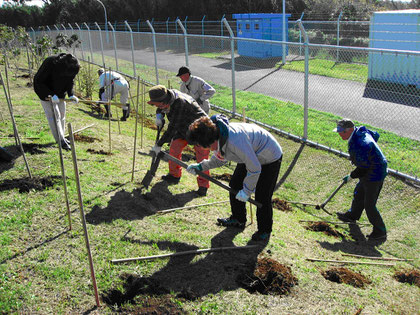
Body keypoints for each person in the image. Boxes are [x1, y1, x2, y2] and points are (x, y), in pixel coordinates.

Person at [186, 114, 283, 241]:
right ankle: (238, 219)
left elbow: (254, 168)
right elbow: (220, 159)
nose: (206, 149)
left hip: (269, 156)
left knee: (262, 195)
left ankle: (264, 230)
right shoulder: (220, 135)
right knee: (235, 184)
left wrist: (247, 191)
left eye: (205, 146)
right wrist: (200, 167)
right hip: (251, 153)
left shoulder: (235, 141)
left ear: (211, 140)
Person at [148, 85, 210, 196]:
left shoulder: (179, 102)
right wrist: (159, 115)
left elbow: (172, 128)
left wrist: (159, 144)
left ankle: (203, 186)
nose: (155, 106)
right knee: (174, 149)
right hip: (184, 127)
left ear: (163, 101)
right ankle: (174, 175)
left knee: (202, 159)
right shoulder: (168, 96)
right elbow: (160, 107)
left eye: (156, 104)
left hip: (200, 130)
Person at [334, 119, 388, 241]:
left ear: (350, 130)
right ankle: (352, 215)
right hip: (369, 167)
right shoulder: (360, 132)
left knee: (369, 204)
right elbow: (375, 135)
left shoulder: (361, 144)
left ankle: (380, 231)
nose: (339, 134)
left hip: (376, 172)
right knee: (359, 193)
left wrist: (351, 176)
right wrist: (371, 153)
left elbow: (363, 167)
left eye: (341, 132)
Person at [34, 53, 80, 151]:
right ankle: (60, 140)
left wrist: (71, 94)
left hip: (60, 93)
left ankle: (61, 137)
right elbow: (38, 81)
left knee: (62, 114)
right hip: (45, 93)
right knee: (55, 116)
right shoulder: (50, 63)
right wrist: (49, 94)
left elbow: (70, 80)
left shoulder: (71, 66)